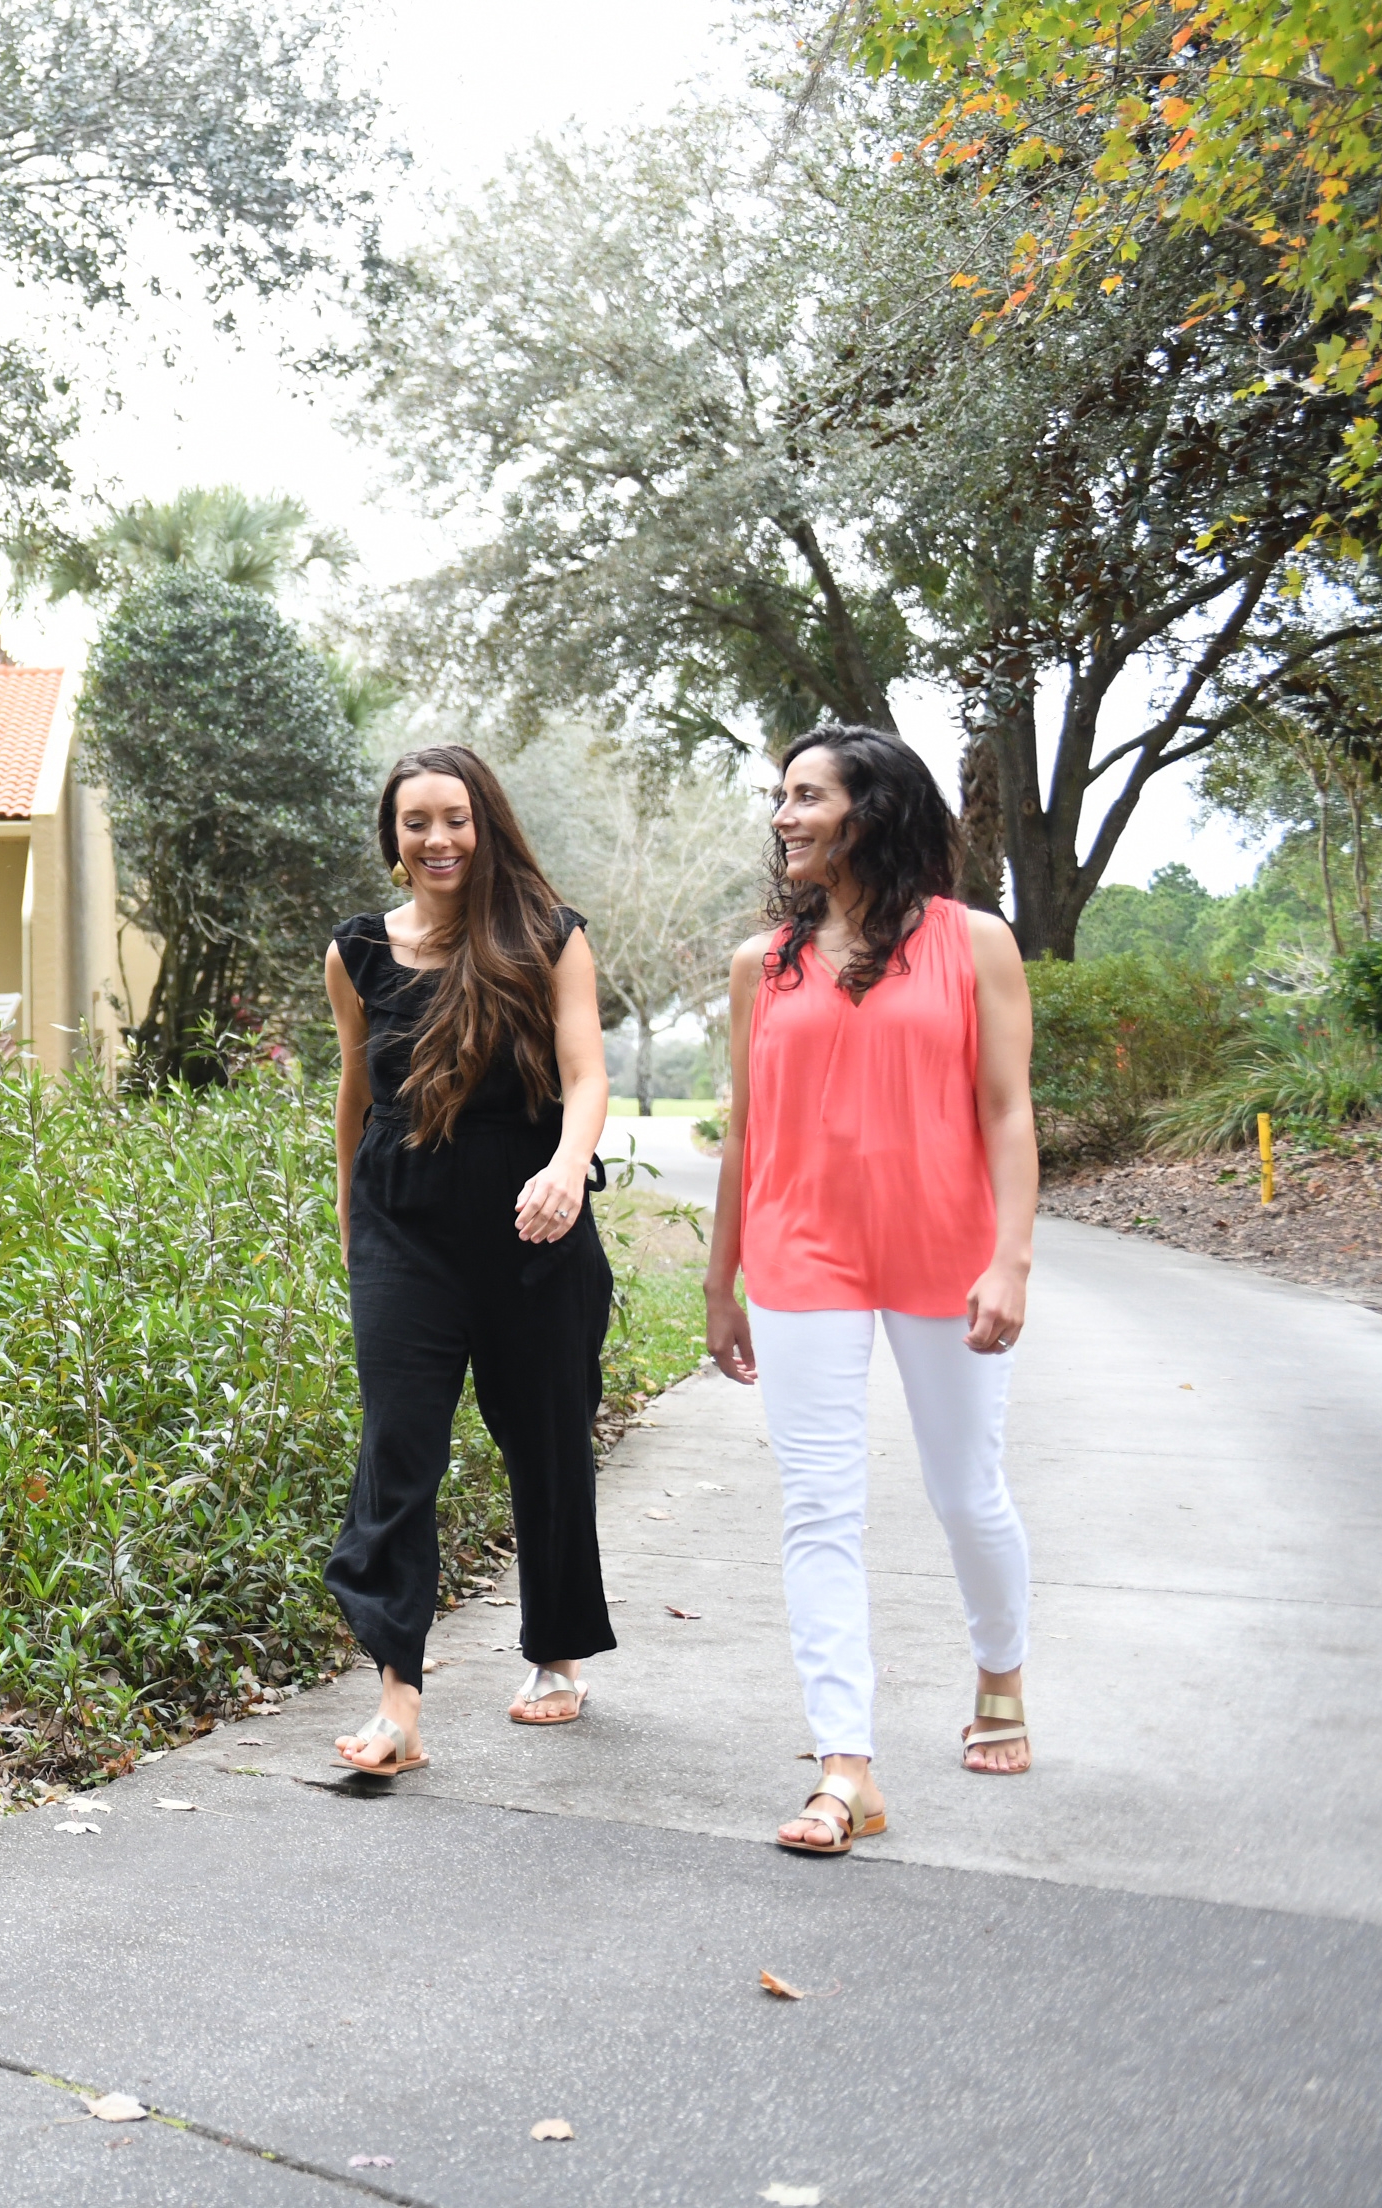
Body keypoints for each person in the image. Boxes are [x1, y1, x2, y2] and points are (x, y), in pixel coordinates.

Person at [700, 724, 1040, 1857]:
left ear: (873, 809)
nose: (784, 816)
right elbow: (746, 1133)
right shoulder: (766, 964)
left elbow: (1006, 1109)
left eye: (807, 796)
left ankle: (999, 1665)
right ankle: (846, 1764)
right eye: (781, 798)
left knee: (965, 1491)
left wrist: (1012, 1257)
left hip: (946, 1248)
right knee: (818, 1506)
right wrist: (719, 1281)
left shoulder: (975, 942)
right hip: (804, 1253)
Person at [320, 744, 620, 1777]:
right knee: (397, 1449)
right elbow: (356, 1103)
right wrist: (351, 1226)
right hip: (404, 1227)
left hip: (532, 1224)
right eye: (416, 822)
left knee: (546, 1442)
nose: (437, 838)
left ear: (485, 824)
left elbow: (586, 1075)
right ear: (393, 839)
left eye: (455, 817)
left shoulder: (547, 938)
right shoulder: (357, 950)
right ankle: (398, 1698)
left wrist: (568, 1168)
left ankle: (557, 1653)